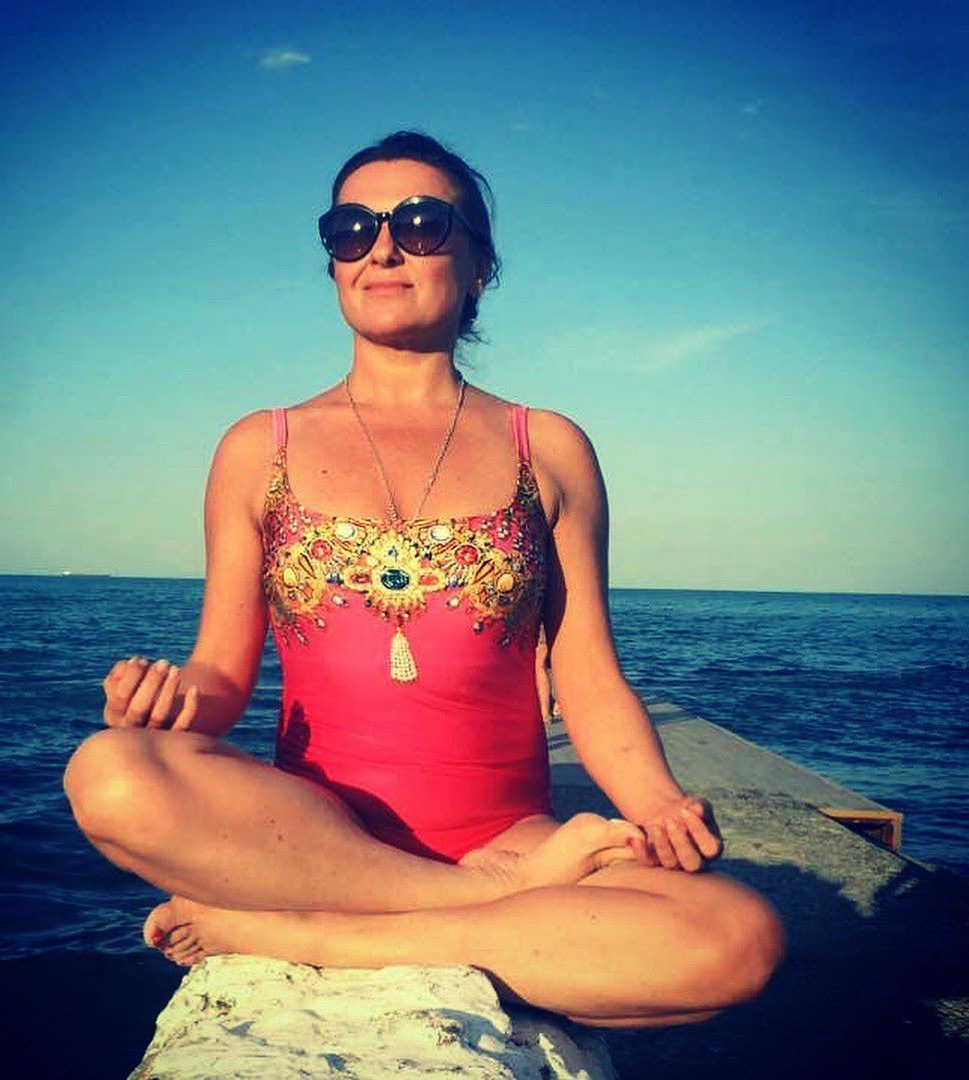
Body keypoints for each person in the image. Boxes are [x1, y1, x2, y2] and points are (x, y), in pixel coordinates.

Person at [63, 130, 784, 1028]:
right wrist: (167, 704)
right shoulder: (258, 448)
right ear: (333, 263)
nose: (382, 249)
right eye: (351, 229)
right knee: (109, 774)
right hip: (316, 837)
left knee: (737, 938)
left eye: (418, 223)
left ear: (479, 265)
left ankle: (313, 934)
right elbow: (221, 675)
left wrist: (658, 805)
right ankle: (463, 906)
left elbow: (589, 676)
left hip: (512, 837)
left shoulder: (548, 448)